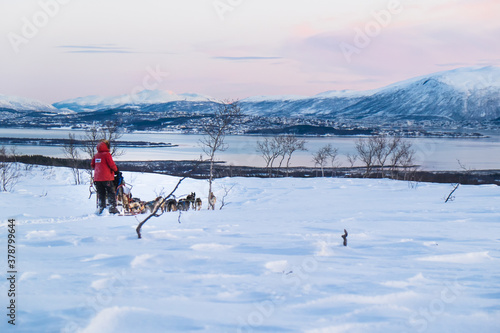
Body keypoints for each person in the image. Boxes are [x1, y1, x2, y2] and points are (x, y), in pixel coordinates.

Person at [91, 140, 119, 214]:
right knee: (111, 192)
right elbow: (111, 164)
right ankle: (112, 208)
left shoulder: (96, 155)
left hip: (97, 178)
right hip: (107, 178)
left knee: (101, 193)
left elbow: (92, 165)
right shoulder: (107, 155)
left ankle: (101, 208)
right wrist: (116, 170)